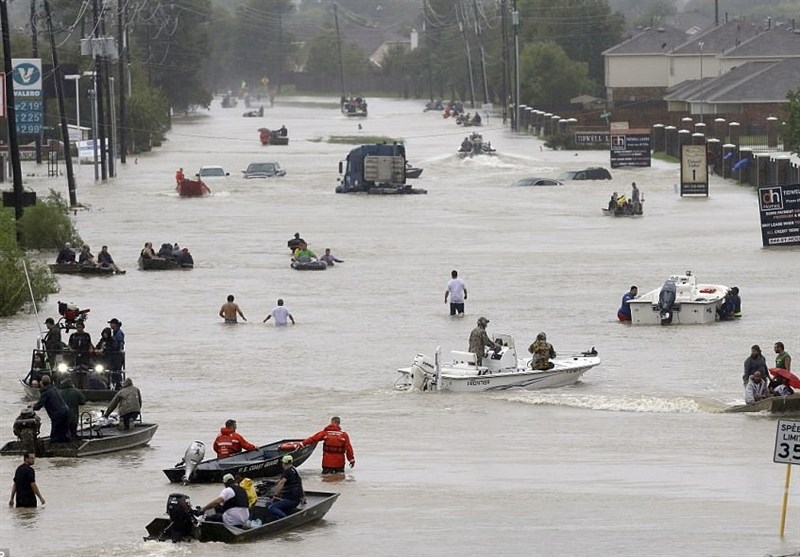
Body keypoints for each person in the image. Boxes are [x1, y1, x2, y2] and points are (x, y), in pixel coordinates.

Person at [32, 375, 71, 443]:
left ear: (41, 383)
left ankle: (53, 448)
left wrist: (32, 407)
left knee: (55, 434)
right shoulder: (54, 388)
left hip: (57, 415)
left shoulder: (45, 392)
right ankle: (68, 445)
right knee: (65, 432)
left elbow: (39, 406)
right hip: (66, 411)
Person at [267, 455, 306, 519]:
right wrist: (303, 496)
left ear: (283, 463)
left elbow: (281, 483)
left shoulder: (287, 472)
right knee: (269, 503)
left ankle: (285, 519)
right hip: (297, 499)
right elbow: (300, 484)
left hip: (290, 499)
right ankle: (279, 517)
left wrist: (275, 495)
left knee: (272, 507)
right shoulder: (295, 470)